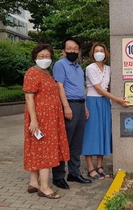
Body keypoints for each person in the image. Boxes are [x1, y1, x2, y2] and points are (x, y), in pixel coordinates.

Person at [23, 43, 70, 199]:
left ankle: (34, 183)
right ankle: (44, 187)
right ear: (35, 57)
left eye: (48, 56)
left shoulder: (47, 73)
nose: (45, 59)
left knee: (38, 149)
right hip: (41, 119)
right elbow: (29, 97)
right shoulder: (32, 73)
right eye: (41, 56)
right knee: (45, 150)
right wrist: (34, 120)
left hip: (50, 118)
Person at [82, 42, 129, 180]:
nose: (99, 53)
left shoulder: (109, 69)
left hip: (104, 103)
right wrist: (117, 99)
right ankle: (90, 167)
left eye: (101, 50)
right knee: (91, 134)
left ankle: (100, 166)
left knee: (103, 133)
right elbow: (99, 89)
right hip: (92, 101)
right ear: (92, 53)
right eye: (96, 50)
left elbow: (109, 87)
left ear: (105, 53)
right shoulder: (90, 68)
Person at [52, 37, 92, 189]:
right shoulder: (60, 65)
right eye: (69, 48)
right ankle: (58, 176)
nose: (73, 51)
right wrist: (66, 107)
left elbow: (82, 89)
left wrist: (85, 107)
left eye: (76, 48)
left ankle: (74, 173)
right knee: (64, 142)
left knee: (76, 143)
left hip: (80, 106)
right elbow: (59, 87)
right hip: (69, 105)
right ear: (63, 51)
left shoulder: (78, 67)